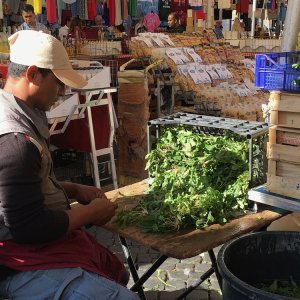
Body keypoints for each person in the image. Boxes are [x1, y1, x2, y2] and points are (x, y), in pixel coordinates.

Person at [0, 30, 138, 300]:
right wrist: (90, 214)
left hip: (24, 240)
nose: (61, 91)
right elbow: (30, 229)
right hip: (13, 260)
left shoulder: (15, 110)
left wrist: (73, 189)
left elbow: (21, 189)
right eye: (58, 82)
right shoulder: (15, 141)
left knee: (116, 271)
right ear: (32, 74)